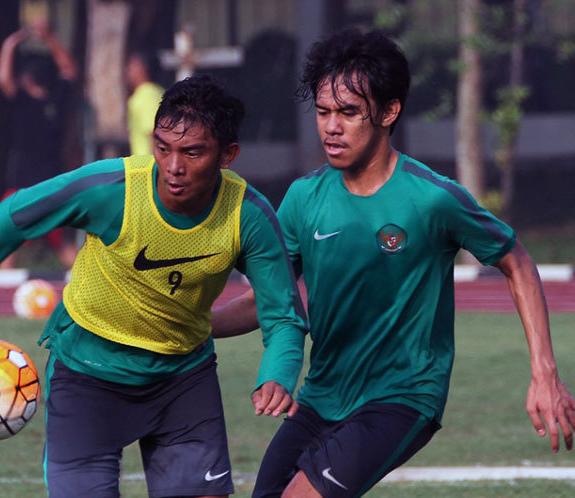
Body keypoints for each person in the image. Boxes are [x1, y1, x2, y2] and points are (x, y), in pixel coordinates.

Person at [210, 29, 575, 497]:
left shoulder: (431, 199)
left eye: (348, 113)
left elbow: (517, 262)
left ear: (388, 111)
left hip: (401, 398)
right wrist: (196, 326)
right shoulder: (303, 198)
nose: (330, 127)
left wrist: (544, 372)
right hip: (322, 397)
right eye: (323, 112)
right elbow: (270, 298)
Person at [0, 75, 309, 497]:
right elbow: (19, 213)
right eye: (163, 148)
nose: (174, 167)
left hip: (182, 381)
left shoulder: (248, 215)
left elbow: (283, 313)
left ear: (227, 155)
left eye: (192, 153)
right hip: (88, 375)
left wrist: (277, 374)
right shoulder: (114, 189)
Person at [0, 20, 79, 269]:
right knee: (62, 245)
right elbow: (69, 69)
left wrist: (9, 45)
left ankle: (0, 297)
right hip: (55, 185)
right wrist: (50, 37)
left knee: (4, 241)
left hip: (23, 187)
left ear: (27, 81)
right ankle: (88, 288)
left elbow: (2, 79)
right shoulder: (59, 100)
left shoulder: (23, 103)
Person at [125, 50, 164, 156]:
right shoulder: (156, 91)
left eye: (132, 66)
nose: (128, 71)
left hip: (147, 165)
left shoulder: (147, 95)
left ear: (143, 68)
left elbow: (155, 134)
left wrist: (154, 168)